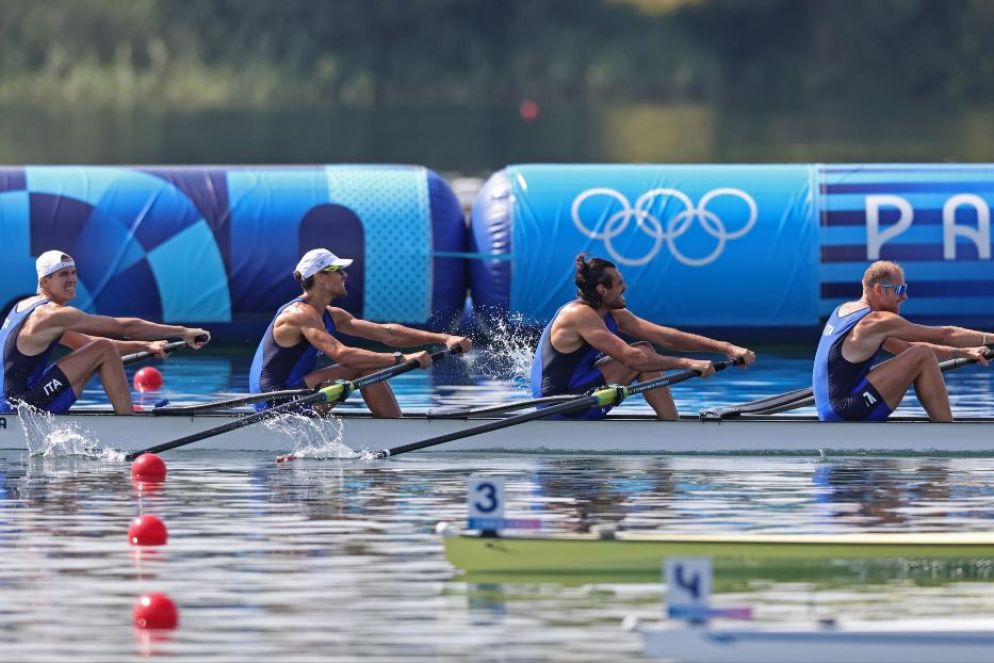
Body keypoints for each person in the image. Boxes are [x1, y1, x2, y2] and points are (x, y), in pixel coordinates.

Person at [530, 254, 756, 420]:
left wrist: (726, 347)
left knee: (645, 347)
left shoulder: (614, 315)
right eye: (619, 284)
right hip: (560, 405)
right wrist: (689, 363)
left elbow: (669, 339)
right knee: (641, 355)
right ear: (602, 290)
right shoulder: (579, 315)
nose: (625, 287)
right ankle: (673, 433)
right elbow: (632, 359)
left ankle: (672, 427)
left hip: (580, 393)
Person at [249, 248, 472, 416]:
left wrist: (444, 338)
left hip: (296, 392)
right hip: (275, 403)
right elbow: (341, 354)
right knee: (362, 366)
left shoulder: (331, 314)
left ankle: (396, 427)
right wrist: (401, 359)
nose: (345, 276)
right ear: (320, 276)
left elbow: (387, 333)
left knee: (365, 367)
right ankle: (397, 431)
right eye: (339, 270)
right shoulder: (299, 314)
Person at [0, 250, 211, 415]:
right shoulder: (52, 314)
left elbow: (85, 343)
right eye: (63, 274)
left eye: (73, 272)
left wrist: (148, 346)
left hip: (13, 402)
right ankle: (129, 429)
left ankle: (124, 419)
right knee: (104, 348)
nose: (72, 279)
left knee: (101, 348)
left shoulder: (25, 306)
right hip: (22, 410)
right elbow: (123, 328)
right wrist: (182, 331)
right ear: (45, 281)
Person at [814, 260, 991, 423]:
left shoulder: (843, 310)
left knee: (921, 354)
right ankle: (950, 435)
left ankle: (944, 428)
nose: (904, 296)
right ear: (878, 290)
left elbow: (906, 348)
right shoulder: (877, 321)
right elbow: (946, 334)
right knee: (923, 355)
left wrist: (962, 352)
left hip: (831, 409)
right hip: (845, 411)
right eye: (899, 290)